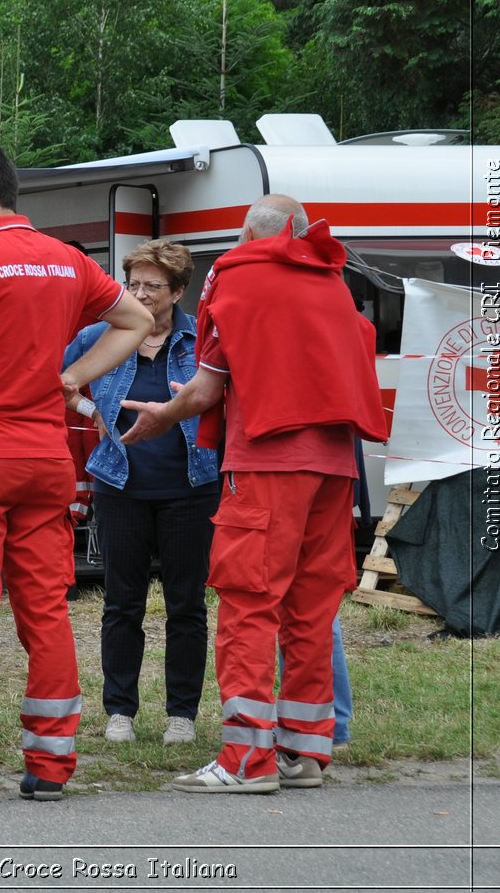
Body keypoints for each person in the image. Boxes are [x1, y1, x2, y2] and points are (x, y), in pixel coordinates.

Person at [0, 143, 151, 805]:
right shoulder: (68, 259)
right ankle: (50, 763)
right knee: (45, 609)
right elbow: (138, 319)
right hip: (45, 457)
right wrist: (73, 377)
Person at [120, 194, 385, 793]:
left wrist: (165, 414)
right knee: (312, 611)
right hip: (336, 468)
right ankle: (306, 752)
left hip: (267, 463)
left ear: (247, 235)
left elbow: (207, 391)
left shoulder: (237, 284)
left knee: (248, 605)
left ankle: (245, 758)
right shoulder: (332, 283)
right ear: (297, 232)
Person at [61, 240, 219, 746]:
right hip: (119, 486)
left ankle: (182, 715)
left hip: (192, 487)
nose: (141, 294)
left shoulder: (203, 339)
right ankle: (120, 712)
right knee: (122, 603)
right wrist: (96, 417)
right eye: (133, 284)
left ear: (178, 290)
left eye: (153, 286)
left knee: (187, 605)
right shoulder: (98, 336)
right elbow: (58, 383)